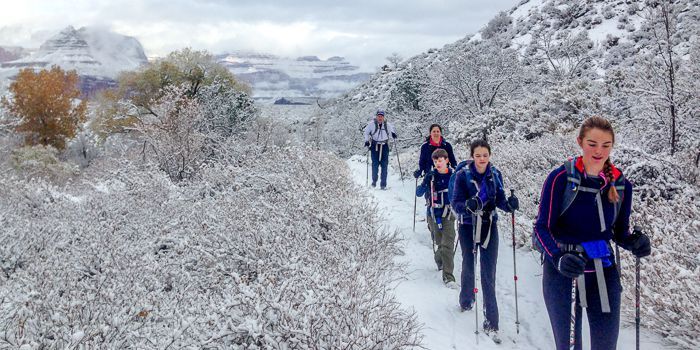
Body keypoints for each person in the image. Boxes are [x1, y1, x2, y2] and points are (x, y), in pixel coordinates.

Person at [533, 116, 651, 350]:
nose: (599, 151)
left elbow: (619, 231)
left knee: (606, 345)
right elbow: (541, 228)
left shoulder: (620, 184)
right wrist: (557, 258)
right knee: (567, 346)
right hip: (563, 271)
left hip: (602, 270)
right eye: (592, 144)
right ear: (580, 142)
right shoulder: (561, 178)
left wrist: (635, 242)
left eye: (606, 145)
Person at [451, 139, 519, 344]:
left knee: (488, 273)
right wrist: (467, 205)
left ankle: (492, 322)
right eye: (478, 155)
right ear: (472, 156)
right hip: (467, 226)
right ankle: (466, 300)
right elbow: (455, 203)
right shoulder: (463, 176)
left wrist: (509, 205)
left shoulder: (494, 175)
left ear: (489, 156)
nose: (482, 159)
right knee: (469, 265)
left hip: (490, 225)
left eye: (485, 155)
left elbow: (499, 199)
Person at [416, 148, 458, 288]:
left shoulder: (454, 176)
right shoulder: (431, 176)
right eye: (435, 161)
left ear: (446, 160)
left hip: (449, 213)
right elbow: (419, 193)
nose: (438, 163)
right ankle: (439, 259)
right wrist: (424, 182)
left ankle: (448, 277)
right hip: (433, 213)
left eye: (440, 160)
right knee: (439, 242)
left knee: (448, 243)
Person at [363, 109, 397, 189]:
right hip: (375, 145)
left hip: (384, 146)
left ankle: (383, 184)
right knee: (375, 164)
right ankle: (374, 182)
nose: (380, 118)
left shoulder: (387, 125)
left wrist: (393, 135)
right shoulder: (371, 125)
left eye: (381, 116)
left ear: (384, 117)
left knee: (384, 165)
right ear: (376, 116)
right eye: (379, 116)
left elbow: (392, 132)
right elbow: (366, 133)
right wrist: (367, 141)